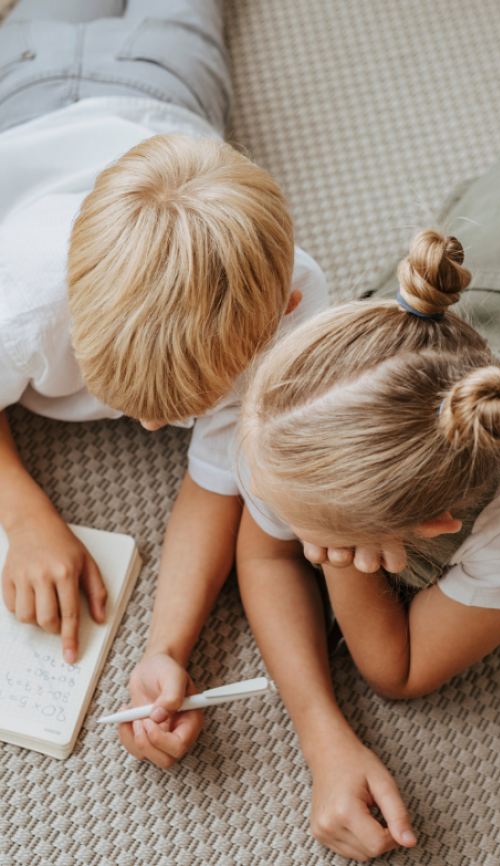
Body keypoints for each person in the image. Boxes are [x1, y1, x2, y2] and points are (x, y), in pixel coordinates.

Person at [0, 0, 330, 777]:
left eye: (176, 411)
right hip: (29, 83)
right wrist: (25, 515)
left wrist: (165, 648)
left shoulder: (295, 306)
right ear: (74, 306)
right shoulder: (24, 298)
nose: (150, 430)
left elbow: (217, 484)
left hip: (169, 78)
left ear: (278, 314)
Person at [239, 205, 500, 856]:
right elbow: (263, 558)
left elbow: (397, 669)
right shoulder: (308, 399)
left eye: (323, 537)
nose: (268, 512)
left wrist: (339, 561)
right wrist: (321, 734)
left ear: (432, 526)